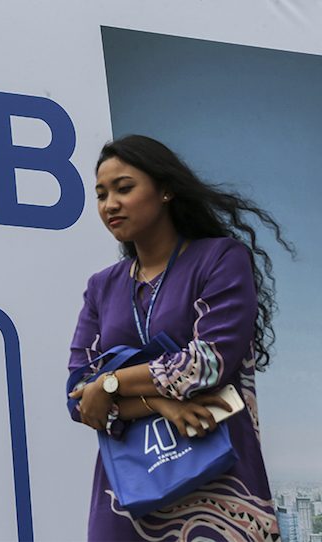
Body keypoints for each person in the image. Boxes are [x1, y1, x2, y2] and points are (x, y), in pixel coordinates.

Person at [67, 135, 290, 541]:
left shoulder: (221, 258)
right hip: (126, 497)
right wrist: (161, 403)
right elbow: (79, 398)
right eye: (101, 194)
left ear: (166, 190)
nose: (109, 204)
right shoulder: (101, 287)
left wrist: (111, 382)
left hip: (221, 482)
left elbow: (207, 364)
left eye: (124, 188)